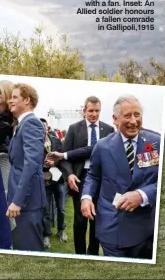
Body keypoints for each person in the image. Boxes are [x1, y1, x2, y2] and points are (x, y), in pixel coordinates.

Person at [81, 95, 160, 259]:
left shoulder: (156, 142)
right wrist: (86, 197)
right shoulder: (102, 146)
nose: (133, 121)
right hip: (112, 226)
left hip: (146, 227)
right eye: (127, 116)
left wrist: (142, 195)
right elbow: (93, 176)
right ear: (115, 119)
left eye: (137, 115)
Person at [56, 96, 114, 255]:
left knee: (96, 218)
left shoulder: (108, 130)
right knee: (80, 220)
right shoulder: (74, 128)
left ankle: (93, 253)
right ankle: (80, 254)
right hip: (79, 178)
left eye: (97, 111)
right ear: (84, 111)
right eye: (91, 111)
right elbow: (63, 157)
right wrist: (69, 175)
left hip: (101, 179)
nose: (94, 114)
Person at [6, 83, 46, 251]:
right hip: (24, 200)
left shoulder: (31, 123)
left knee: (29, 250)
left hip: (27, 202)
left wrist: (17, 200)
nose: (10, 101)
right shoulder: (21, 124)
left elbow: (31, 164)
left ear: (27, 100)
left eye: (14, 97)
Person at [40, 118, 69, 249]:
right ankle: (46, 234)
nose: (42, 129)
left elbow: (63, 159)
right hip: (44, 178)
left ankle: (61, 230)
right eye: (40, 127)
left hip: (58, 178)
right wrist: (43, 165)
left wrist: (55, 163)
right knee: (45, 209)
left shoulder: (56, 140)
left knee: (61, 208)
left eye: (44, 126)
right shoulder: (34, 143)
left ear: (48, 128)